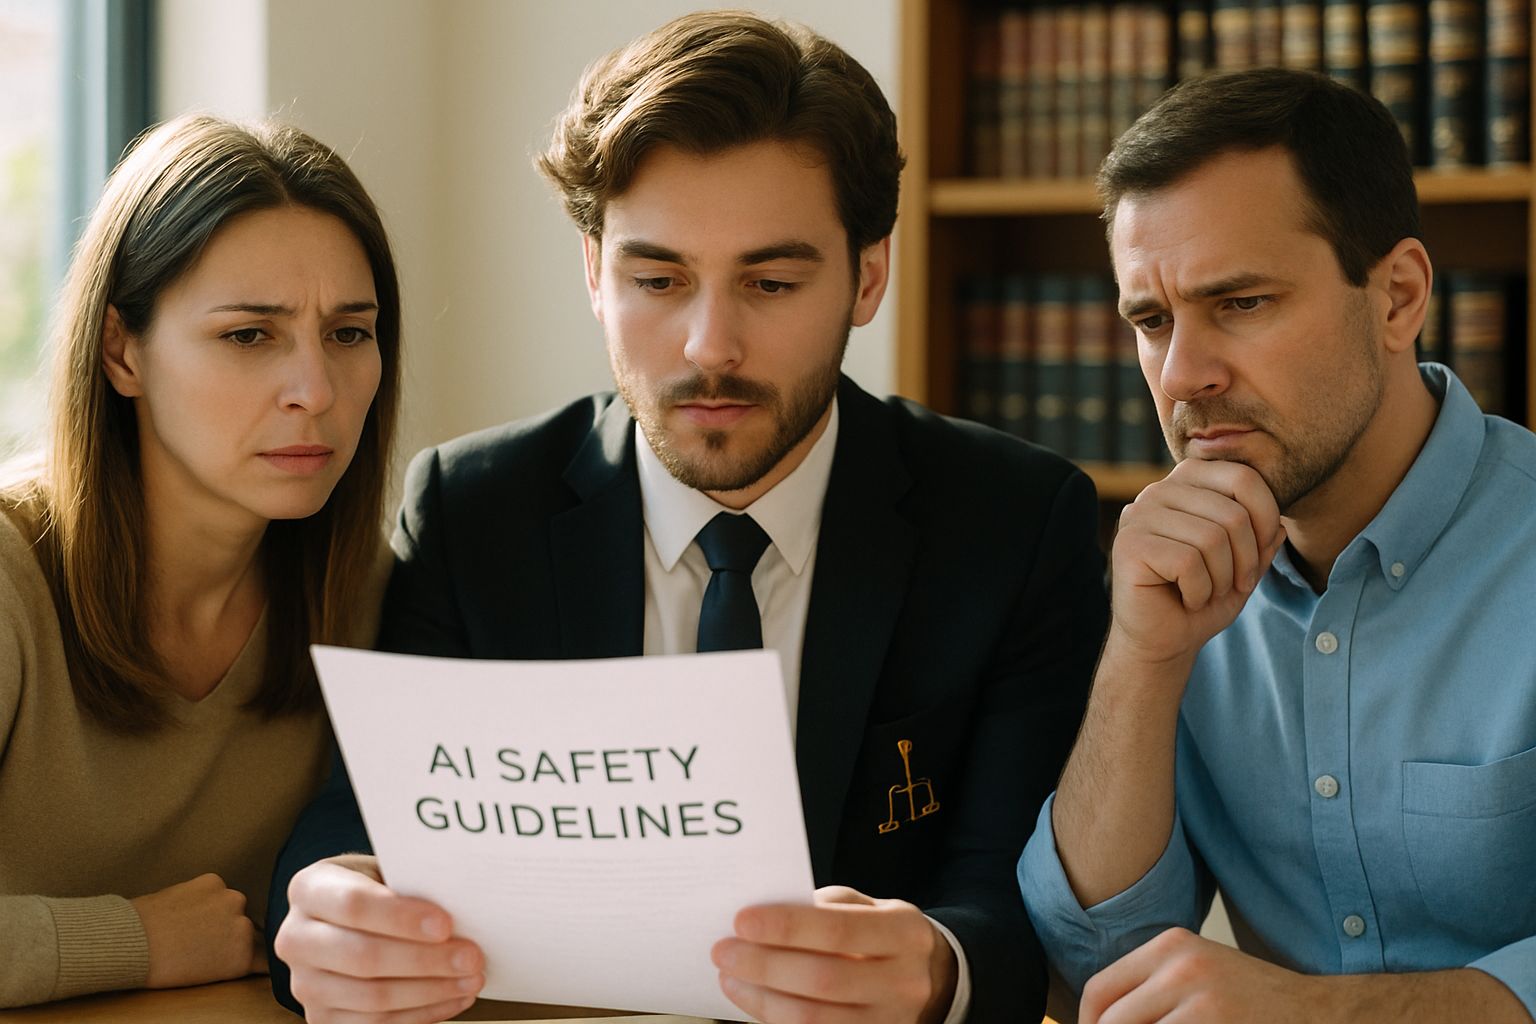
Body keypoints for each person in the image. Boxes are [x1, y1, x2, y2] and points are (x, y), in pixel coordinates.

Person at [266, 11, 1108, 1024]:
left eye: (771, 281)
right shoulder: (472, 509)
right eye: (657, 280)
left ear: (868, 274)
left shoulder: (1015, 524)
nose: (712, 344)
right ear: (592, 271)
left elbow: (1021, 912)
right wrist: (328, 916)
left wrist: (936, 966)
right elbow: (352, 829)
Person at [1018, 67, 1536, 1023]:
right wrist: (1142, 659)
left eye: (1242, 303)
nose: (1182, 376)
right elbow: (1085, 971)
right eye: (1151, 320)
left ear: (1396, 297)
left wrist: (1320, 1015)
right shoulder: (1164, 579)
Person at [0, 114, 401, 1008]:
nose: (316, 391)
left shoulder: (368, 593)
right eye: (249, 335)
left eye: (348, 334)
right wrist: (132, 938)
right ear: (121, 350)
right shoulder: (7, 578)